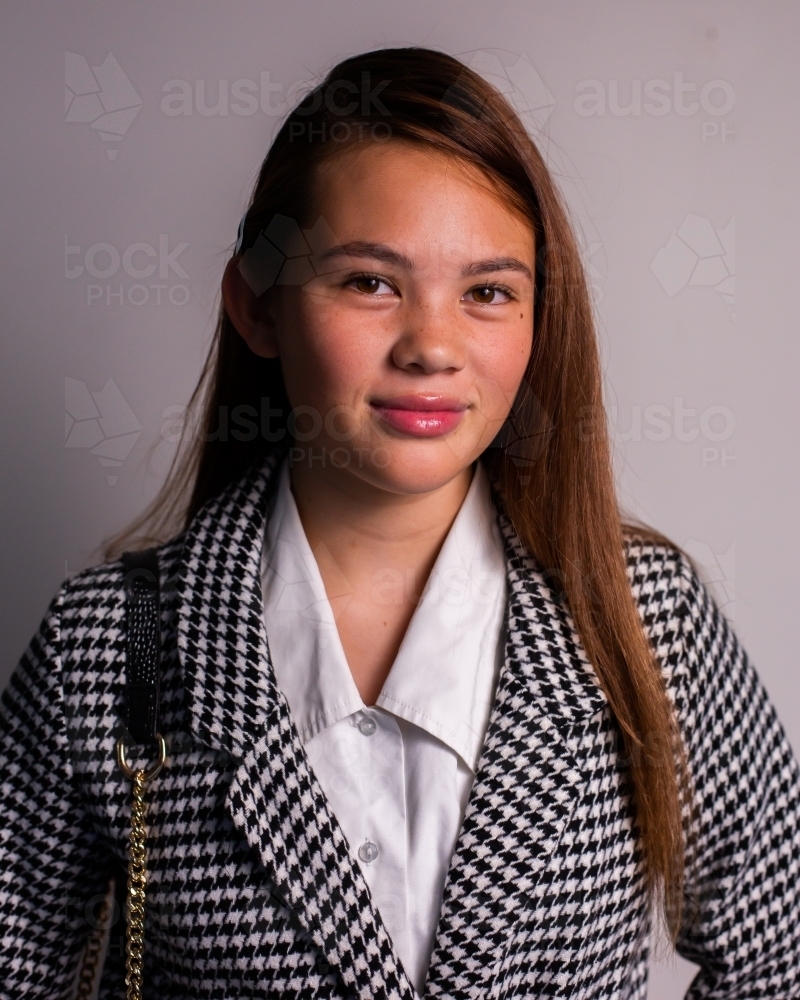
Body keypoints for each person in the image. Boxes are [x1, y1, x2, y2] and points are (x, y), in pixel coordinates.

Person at [1, 46, 799, 1000]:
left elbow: (778, 949)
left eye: (488, 292)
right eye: (370, 283)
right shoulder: (109, 647)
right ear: (258, 305)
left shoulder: (643, 622)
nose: (431, 346)